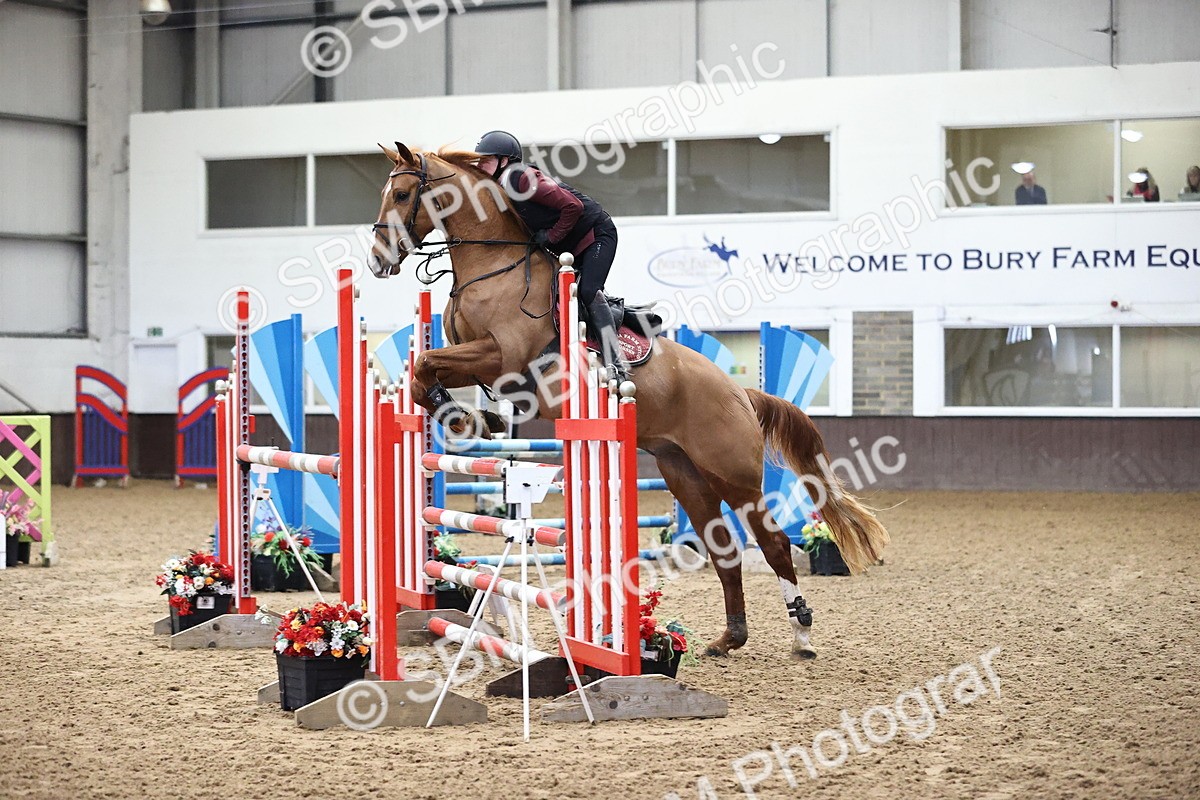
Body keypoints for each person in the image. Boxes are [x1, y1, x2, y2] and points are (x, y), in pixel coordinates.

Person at [473, 130, 626, 379]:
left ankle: (615, 363)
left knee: (587, 292)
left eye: (485, 160)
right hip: (570, 247)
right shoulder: (500, 188)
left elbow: (572, 206)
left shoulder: (520, 178)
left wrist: (552, 236)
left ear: (504, 161)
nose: (479, 165)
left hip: (597, 234)